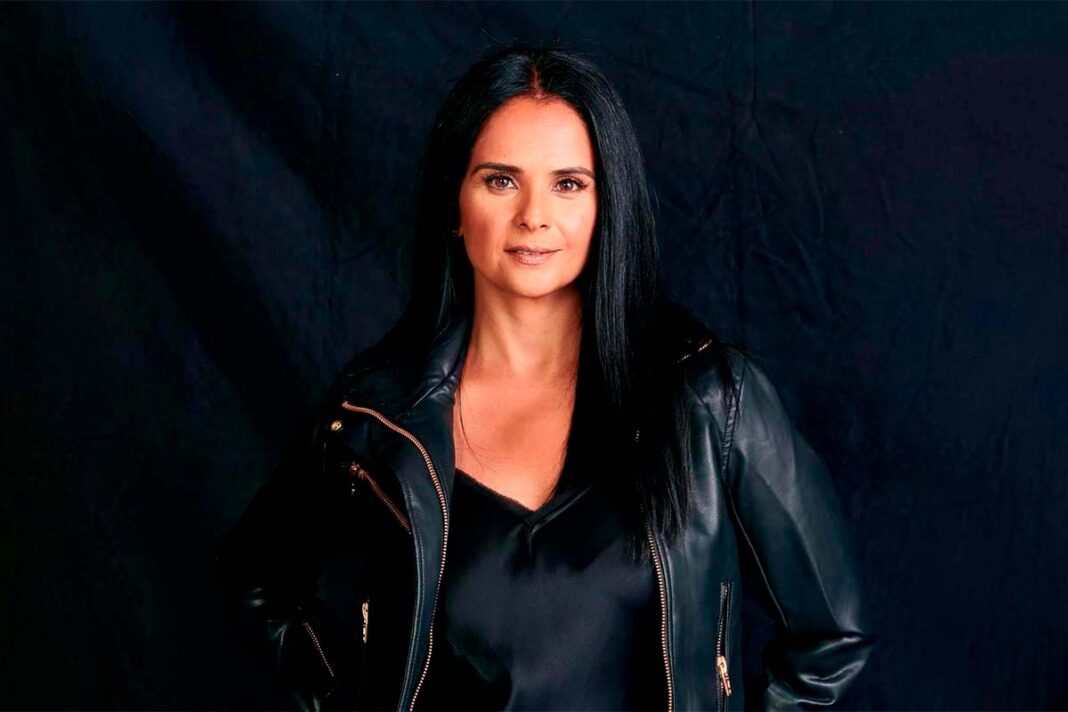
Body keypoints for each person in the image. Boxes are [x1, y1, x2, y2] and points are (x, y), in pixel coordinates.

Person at [213, 43, 874, 711]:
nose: (534, 215)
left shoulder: (709, 400)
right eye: (501, 180)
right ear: (455, 203)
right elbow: (258, 578)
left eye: (569, 183)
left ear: (607, 204)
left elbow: (831, 638)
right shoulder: (376, 418)